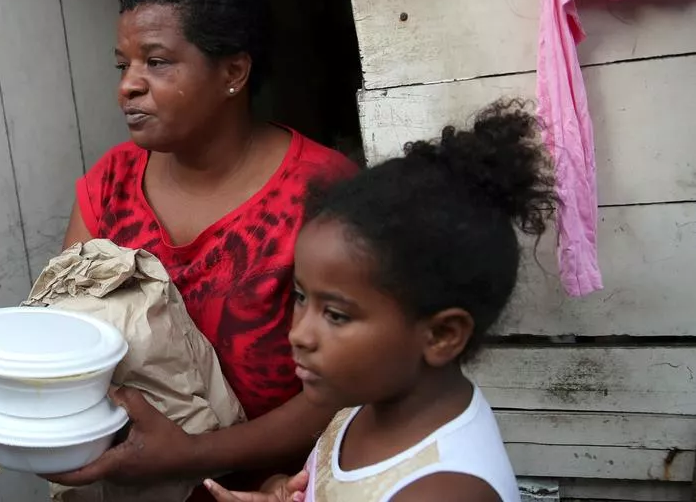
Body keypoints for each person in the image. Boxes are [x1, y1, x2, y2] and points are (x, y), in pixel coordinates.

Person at [0, 0, 358, 496]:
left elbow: (347, 388)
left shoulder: (322, 195)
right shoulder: (110, 185)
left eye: (156, 62)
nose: (128, 85)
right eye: (123, 64)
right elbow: (63, 338)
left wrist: (190, 457)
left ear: (233, 71)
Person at [205, 101, 549, 502]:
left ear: (441, 335)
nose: (299, 333)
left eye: (335, 314)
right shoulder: (367, 400)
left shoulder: (442, 491)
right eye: (301, 297)